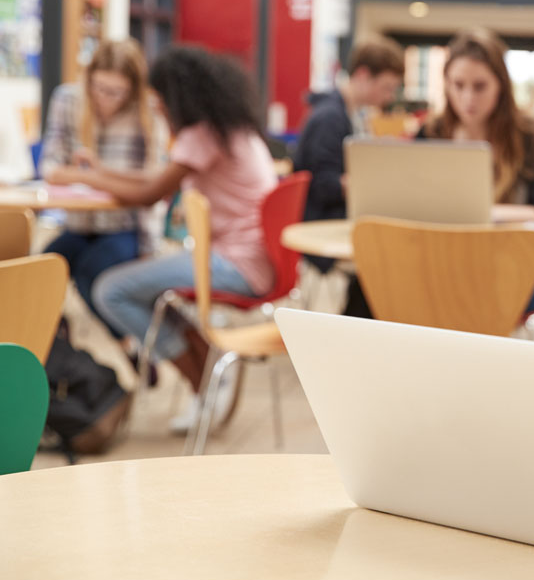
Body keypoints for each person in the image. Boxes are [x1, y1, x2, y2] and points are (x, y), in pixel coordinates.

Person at [50, 45, 278, 433]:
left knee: (112, 290)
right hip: (250, 259)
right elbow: (154, 181)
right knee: (142, 291)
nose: (158, 109)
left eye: (159, 101)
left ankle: (202, 383)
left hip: (235, 264)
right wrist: (101, 172)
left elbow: (148, 194)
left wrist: (83, 177)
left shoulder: (199, 136)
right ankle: (208, 367)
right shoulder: (226, 128)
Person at [417, 28, 534, 313]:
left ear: (501, 84)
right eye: (457, 85)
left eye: (480, 86)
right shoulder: (431, 132)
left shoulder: (527, 135)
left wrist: (483, 214)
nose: (467, 98)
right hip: (439, 258)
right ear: (446, 84)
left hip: (507, 263)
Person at [38, 39, 165, 341]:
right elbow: (50, 169)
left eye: (115, 92)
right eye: (98, 87)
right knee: (40, 273)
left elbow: (152, 187)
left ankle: (132, 348)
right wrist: (110, 180)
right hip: (79, 224)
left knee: (92, 274)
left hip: (124, 226)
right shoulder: (68, 100)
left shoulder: (147, 112)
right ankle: (58, 353)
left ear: (132, 89)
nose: (104, 98)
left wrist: (149, 247)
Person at [291, 35, 404, 318]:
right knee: (388, 258)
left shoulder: (348, 115)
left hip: (339, 221)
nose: (389, 98)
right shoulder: (330, 118)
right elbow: (324, 186)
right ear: (363, 75)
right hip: (322, 225)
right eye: (387, 88)